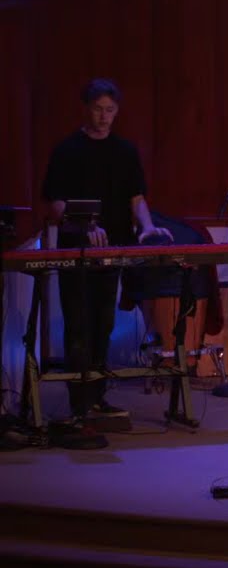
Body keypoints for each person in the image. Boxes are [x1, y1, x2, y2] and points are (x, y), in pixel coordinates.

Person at [41, 79, 171, 431]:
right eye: (98, 109)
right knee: (79, 323)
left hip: (112, 250)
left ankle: (97, 397)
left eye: (110, 110)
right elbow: (55, 203)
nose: (103, 116)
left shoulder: (124, 151)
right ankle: (78, 402)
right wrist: (82, 225)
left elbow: (136, 197)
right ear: (86, 108)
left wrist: (147, 226)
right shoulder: (67, 150)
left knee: (104, 323)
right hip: (76, 250)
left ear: (117, 112)